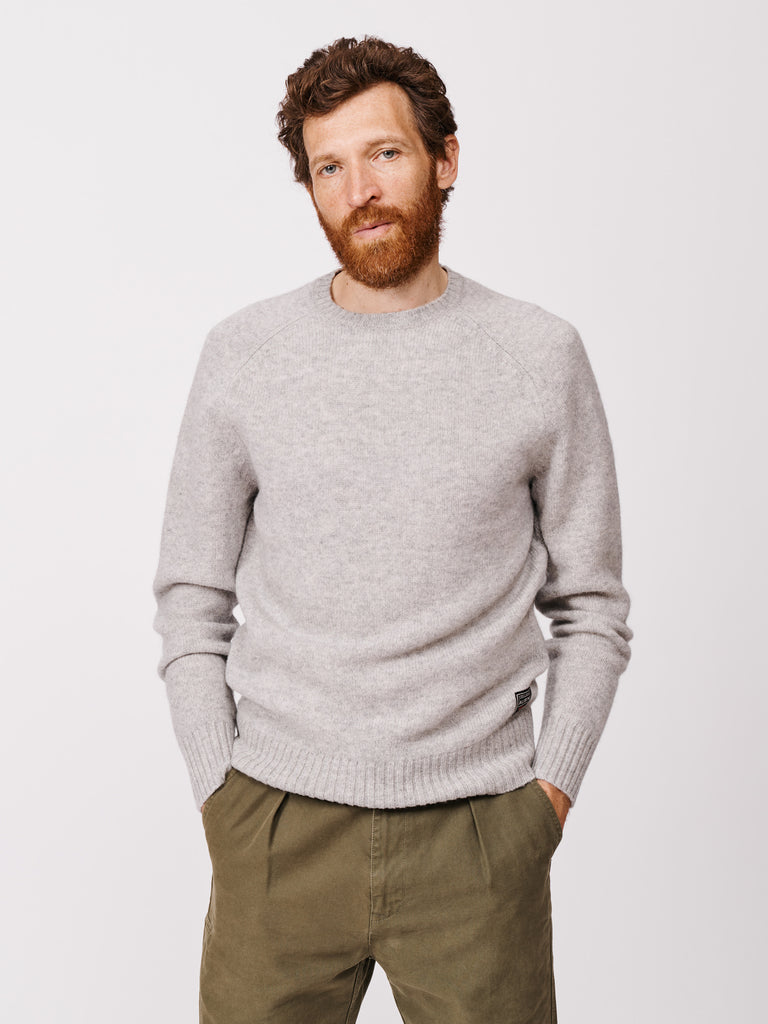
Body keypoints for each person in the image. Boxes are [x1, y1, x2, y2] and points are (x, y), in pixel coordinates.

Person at [152, 35, 633, 1024]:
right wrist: (221, 795)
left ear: (445, 159)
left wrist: (543, 805)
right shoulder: (245, 356)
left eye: (384, 154)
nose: (359, 191)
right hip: (276, 829)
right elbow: (192, 595)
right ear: (309, 187)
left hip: (479, 835)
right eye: (329, 167)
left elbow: (591, 605)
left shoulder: (538, 356)